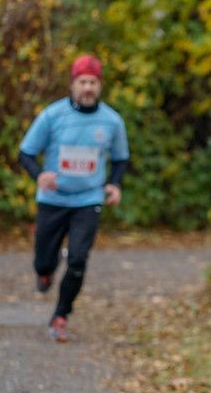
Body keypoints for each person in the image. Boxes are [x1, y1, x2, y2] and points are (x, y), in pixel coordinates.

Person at [18, 54, 130, 343]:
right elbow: (26, 153)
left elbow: (119, 159)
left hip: (88, 199)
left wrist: (114, 185)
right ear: (72, 84)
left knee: (78, 259)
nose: (88, 88)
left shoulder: (112, 121)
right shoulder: (52, 116)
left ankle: (60, 316)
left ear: (100, 85)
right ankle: (45, 272)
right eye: (82, 82)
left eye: (93, 82)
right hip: (53, 198)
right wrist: (39, 175)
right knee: (43, 261)